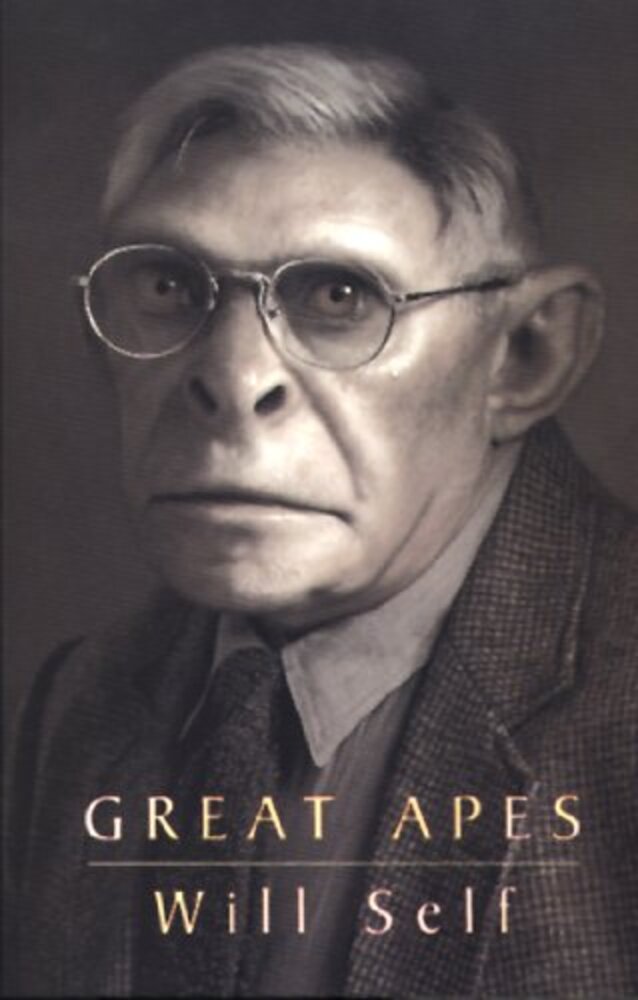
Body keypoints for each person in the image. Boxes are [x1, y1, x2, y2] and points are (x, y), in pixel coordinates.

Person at [9, 43, 637, 998]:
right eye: (169, 286)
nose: (233, 378)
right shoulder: (78, 703)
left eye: (341, 297)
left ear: (522, 359)